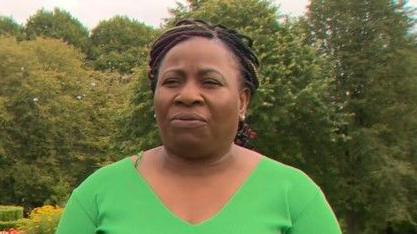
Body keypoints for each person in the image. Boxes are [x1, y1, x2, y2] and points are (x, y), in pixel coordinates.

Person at [56, 19, 342, 234]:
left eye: (210, 82)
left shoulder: (295, 196)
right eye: (172, 81)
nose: (188, 95)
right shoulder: (97, 194)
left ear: (242, 102)